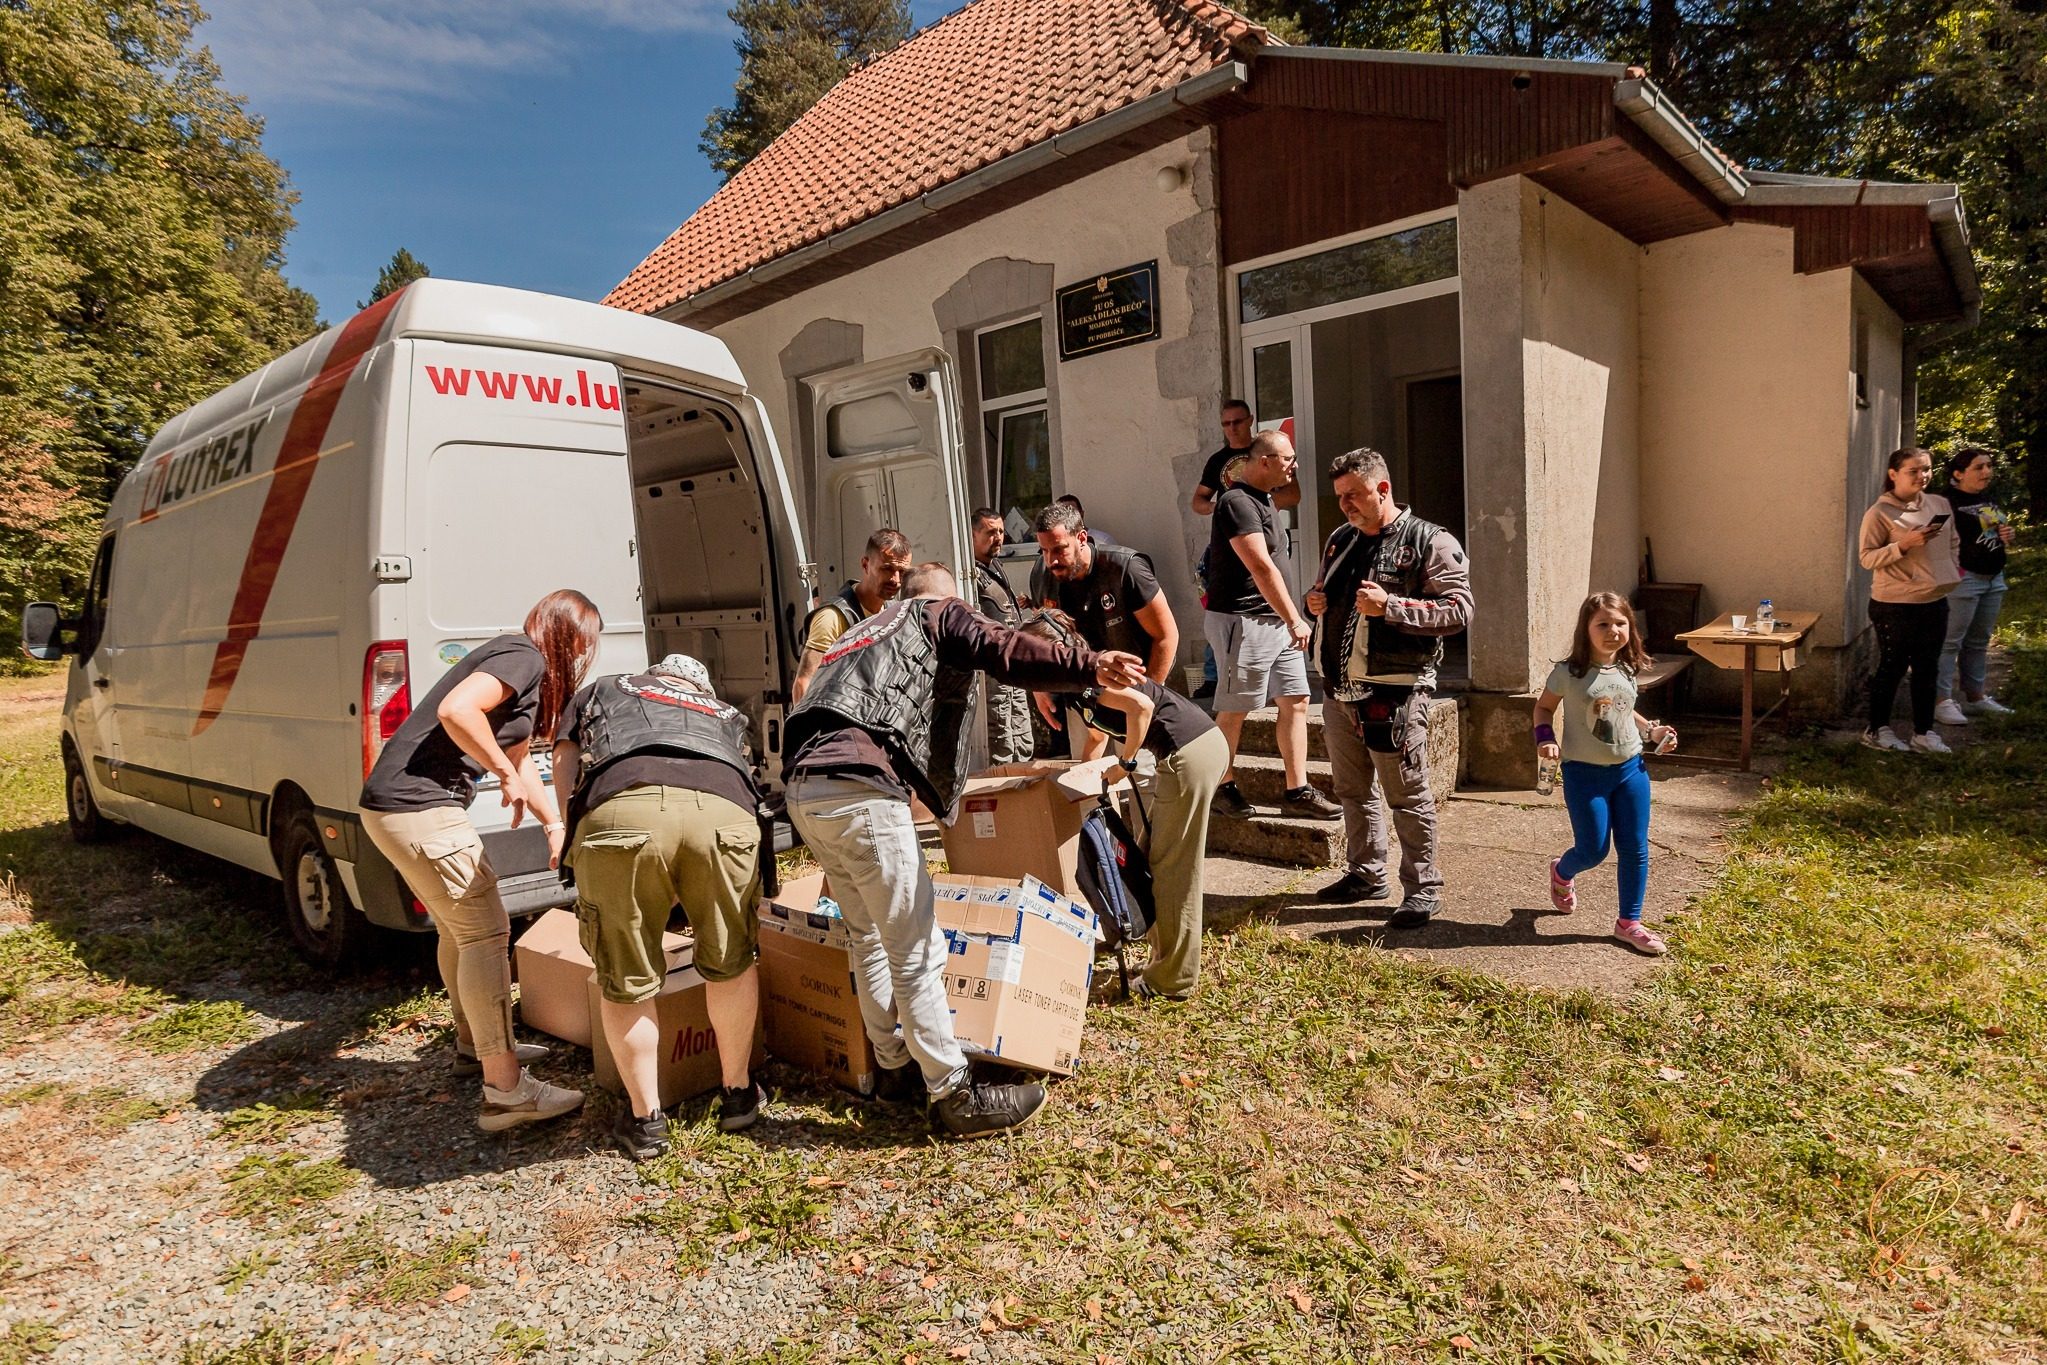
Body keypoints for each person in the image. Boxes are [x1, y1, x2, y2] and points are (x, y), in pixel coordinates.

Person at [782, 564, 1145, 1138]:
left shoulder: (859, 630)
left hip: (805, 789)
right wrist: (1087, 665)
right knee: (915, 945)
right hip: (859, 788)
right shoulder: (934, 611)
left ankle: (893, 1068)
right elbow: (1002, 648)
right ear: (944, 601)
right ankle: (953, 1093)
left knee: (868, 935)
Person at [359, 589, 599, 1132]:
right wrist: (504, 775)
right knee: (486, 933)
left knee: (458, 931)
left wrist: (555, 823)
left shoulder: (522, 674)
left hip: (396, 808)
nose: (585, 655)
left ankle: (476, 1047)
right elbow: (457, 711)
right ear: (567, 636)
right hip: (417, 807)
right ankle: (506, 1091)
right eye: (585, 643)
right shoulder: (523, 655)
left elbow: (521, 761)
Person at [552, 655, 767, 1161]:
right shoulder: (726, 714)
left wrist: (566, 826)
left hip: (622, 806)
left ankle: (647, 1120)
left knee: (627, 973)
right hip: (724, 812)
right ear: (700, 691)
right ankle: (738, 1094)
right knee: (731, 960)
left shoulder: (605, 688)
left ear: (653, 677)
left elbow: (565, 758)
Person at [1019, 609, 1228, 1000]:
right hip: (1188, 752)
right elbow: (1097, 736)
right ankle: (1162, 959)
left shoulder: (1090, 680)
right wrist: (1079, 783)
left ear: (1052, 652)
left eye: (1030, 656)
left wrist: (1126, 763)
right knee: (1145, 860)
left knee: (1172, 870)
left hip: (1190, 753)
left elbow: (1141, 708)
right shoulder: (1076, 684)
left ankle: (1172, 981)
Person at [1304, 448, 1474, 927]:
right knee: (1351, 791)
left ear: (1383, 489)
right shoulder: (1340, 539)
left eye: (1354, 495)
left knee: (1408, 796)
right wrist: (1314, 602)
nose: (1345, 505)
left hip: (1395, 693)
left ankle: (1423, 889)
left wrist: (1392, 607)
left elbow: (1460, 610)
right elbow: (1328, 596)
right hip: (1338, 691)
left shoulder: (1430, 540)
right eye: (1340, 496)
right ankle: (1365, 874)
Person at [1532, 593, 1679, 956]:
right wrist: (1545, 738)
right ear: (1586, 629)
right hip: (1584, 775)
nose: (1613, 631)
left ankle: (1629, 923)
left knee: (1635, 847)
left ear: (1630, 627)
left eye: (1620, 624)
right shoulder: (1569, 673)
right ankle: (1562, 872)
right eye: (1603, 624)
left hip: (1631, 771)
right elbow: (1543, 708)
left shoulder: (1627, 669)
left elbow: (1624, 710)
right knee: (1593, 849)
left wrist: (1653, 732)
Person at [1205, 430, 1339, 822]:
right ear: (1265, 461)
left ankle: (1298, 790)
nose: (1294, 465)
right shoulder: (1236, 502)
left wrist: (1289, 617)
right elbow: (1260, 567)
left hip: (1276, 622)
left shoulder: (1265, 499)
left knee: (1296, 700)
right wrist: (1295, 618)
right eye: (1288, 458)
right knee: (1235, 709)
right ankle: (1221, 787)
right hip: (1244, 621)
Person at [1030, 502, 1179, 757]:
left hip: (1135, 683)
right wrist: (1039, 686)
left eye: (1059, 549)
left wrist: (1149, 694)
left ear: (1081, 538)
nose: (1050, 560)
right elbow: (1041, 638)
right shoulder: (1042, 575)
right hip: (1081, 689)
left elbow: (1166, 636)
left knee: (1137, 769)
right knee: (1086, 768)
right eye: (1043, 550)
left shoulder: (1126, 569)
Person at [1858, 447, 1962, 753]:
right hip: (1895, 604)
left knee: (1928, 668)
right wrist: (1903, 545)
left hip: (1934, 599)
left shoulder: (1939, 503)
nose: (1922, 476)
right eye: (1913, 471)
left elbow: (1953, 542)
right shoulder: (1879, 512)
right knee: (1893, 667)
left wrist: (1951, 569)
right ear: (1893, 474)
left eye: (1926, 469)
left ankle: (1924, 733)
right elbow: (1866, 558)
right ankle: (1877, 730)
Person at [1189, 399, 1290, 699]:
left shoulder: (1269, 454)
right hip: (1229, 545)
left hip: (1265, 537)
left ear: (1250, 420)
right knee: (1223, 607)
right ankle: (1216, 677)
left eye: (1237, 422)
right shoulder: (1218, 462)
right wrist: (1221, 507)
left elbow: (1292, 495)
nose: (1231, 428)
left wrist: (1263, 507)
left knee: (1270, 597)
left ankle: (1269, 680)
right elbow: (1197, 501)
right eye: (1226, 423)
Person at [1934, 445, 2017, 725]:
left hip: (1993, 578)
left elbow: (1993, 534)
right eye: (1979, 467)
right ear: (1958, 474)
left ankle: (1976, 697)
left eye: (1989, 466)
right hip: (1964, 579)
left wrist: (2007, 534)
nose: (1986, 472)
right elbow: (1931, 538)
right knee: (1949, 642)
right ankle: (1941, 701)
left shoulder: (1987, 499)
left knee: (1979, 641)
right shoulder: (1944, 503)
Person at [790, 528, 912, 704]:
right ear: (865, 565)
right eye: (887, 569)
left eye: (902, 572)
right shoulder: (832, 617)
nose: (896, 580)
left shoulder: (895, 613)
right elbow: (803, 683)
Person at [969, 508, 1034, 764]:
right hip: (993, 668)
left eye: (1001, 532)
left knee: (1021, 730)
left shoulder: (994, 564)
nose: (998, 538)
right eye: (990, 532)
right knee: (1001, 735)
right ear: (972, 535)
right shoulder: (969, 573)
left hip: (1013, 663)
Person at [1053, 494, 1117, 547]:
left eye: (1072, 512)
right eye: (1062, 514)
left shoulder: (1104, 541)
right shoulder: (1055, 543)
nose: (1068, 517)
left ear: (1082, 513)